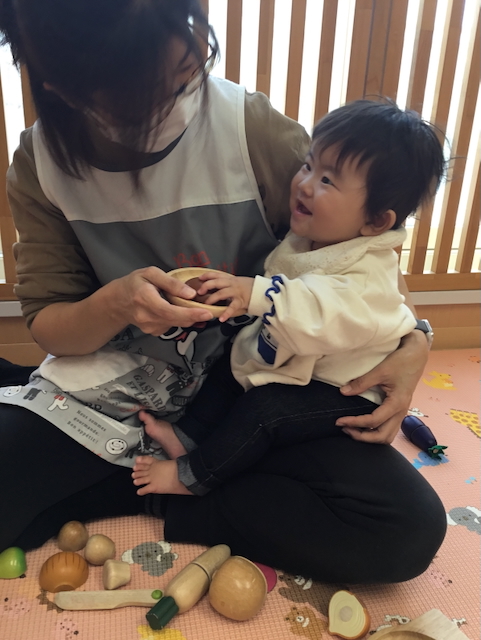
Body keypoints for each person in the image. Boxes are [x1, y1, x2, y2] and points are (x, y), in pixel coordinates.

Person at [0, 0, 446, 584]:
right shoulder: (42, 165)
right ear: (67, 87)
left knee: (404, 529)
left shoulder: (249, 128)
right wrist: (118, 303)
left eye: (191, 37)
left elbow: (359, 254)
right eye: (162, 81)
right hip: (120, 390)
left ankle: (158, 487)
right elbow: (50, 324)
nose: (193, 63)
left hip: (256, 386)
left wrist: (415, 341)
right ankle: (173, 472)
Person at [130, 100, 446, 497]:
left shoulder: (369, 274)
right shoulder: (317, 238)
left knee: (264, 411)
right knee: (232, 367)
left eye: (328, 180)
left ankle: (194, 477)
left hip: (346, 388)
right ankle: (186, 438)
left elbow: (322, 313)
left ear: (376, 220)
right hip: (302, 359)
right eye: (308, 165)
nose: (306, 184)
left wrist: (256, 293)